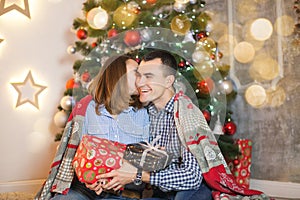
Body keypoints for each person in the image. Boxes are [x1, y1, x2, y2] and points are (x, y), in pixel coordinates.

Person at [96, 50, 213, 200]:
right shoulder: (145, 112)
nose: (140, 82)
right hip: (162, 191)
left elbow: (192, 178)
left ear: (168, 81)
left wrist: (140, 175)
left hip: (191, 190)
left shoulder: (187, 114)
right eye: (139, 75)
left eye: (149, 76)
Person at [35, 55, 150, 200]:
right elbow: (74, 154)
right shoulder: (87, 108)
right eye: (136, 72)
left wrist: (126, 176)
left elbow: (148, 158)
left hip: (125, 191)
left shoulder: (144, 113)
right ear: (118, 75)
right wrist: (88, 179)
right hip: (85, 189)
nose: (142, 78)